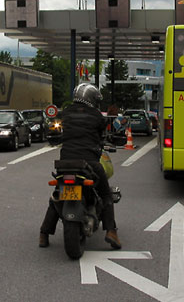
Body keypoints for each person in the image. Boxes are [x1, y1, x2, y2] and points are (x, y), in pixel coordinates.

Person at [39, 83, 121, 250]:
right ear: (91, 99)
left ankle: (44, 234)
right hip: (90, 163)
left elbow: (56, 133)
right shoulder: (97, 116)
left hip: (65, 164)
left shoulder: (65, 113)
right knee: (106, 194)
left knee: (56, 196)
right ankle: (111, 231)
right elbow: (101, 137)